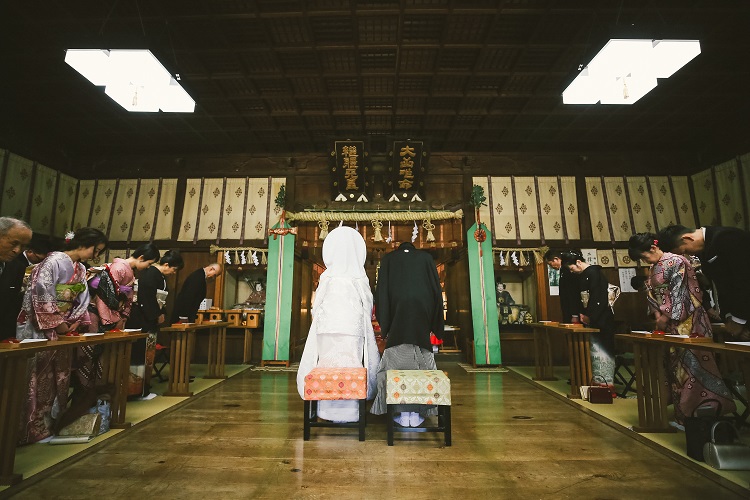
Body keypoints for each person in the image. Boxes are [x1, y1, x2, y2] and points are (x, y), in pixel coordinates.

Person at [628, 233, 735, 423]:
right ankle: (683, 415)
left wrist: (666, 315)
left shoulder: (677, 261)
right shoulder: (654, 267)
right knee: (674, 369)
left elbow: (684, 291)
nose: (645, 261)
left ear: (653, 248)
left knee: (693, 367)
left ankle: (703, 412)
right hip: (669, 322)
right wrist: (658, 315)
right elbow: (652, 294)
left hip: (689, 321)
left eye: (645, 256)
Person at [16, 227, 108, 444]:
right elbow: (41, 291)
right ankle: (29, 429)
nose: (96, 255)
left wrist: (72, 322)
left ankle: (49, 425)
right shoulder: (54, 261)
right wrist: (57, 323)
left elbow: (82, 300)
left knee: (59, 377)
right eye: (96, 249)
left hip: (64, 328)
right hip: (41, 327)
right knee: (36, 377)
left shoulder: (80, 269)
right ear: (84, 243)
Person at [296, 226, 380, 422]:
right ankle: (350, 411)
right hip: (353, 328)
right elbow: (368, 305)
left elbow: (316, 306)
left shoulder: (327, 276)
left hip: (327, 327)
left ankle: (327, 410)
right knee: (352, 366)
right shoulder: (359, 277)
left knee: (327, 366)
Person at [371, 241, 444, 427]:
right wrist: (434, 322)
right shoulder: (427, 259)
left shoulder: (388, 259)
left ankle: (400, 413)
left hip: (397, 322)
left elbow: (382, 293)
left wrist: (386, 325)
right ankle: (418, 413)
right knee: (423, 368)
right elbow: (436, 291)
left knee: (394, 369)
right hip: (422, 318)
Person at [658, 224, 750, 340]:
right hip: (737, 313)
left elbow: (744, 280)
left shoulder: (728, 238)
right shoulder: (703, 249)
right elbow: (720, 286)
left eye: (685, 250)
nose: (688, 254)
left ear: (687, 238)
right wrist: (728, 316)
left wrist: (738, 320)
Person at [126, 250, 184, 394]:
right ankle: (136, 390)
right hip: (143, 318)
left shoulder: (159, 276)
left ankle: (144, 387)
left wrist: (161, 312)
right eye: (174, 269)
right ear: (166, 264)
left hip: (151, 317)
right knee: (139, 355)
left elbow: (159, 300)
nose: (173, 273)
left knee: (148, 355)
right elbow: (146, 298)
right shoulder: (151, 274)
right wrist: (156, 314)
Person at [561, 251, 616, 391]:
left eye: (571, 268)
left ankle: (606, 384)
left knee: (602, 350)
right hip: (590, 316)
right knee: (593, 350)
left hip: (601, 317)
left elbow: (598, 298)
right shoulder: (584, 275)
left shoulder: (593, 273)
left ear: (578, 262)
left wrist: (590, 316)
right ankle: (596, 382)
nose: (572, 271)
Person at [0, 233, 53, 338]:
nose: (16, 250)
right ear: (30, 252)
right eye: (14, 243)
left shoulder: (16, 265)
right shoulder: (16, 261)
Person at [544, 249, 583, 323]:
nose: (551, 266)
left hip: (573, 310)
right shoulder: (563, 269)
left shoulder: (568, 269)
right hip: (567, 308)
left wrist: (574, 315)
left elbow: (573, 292)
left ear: (556, 259)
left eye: (550, 263)